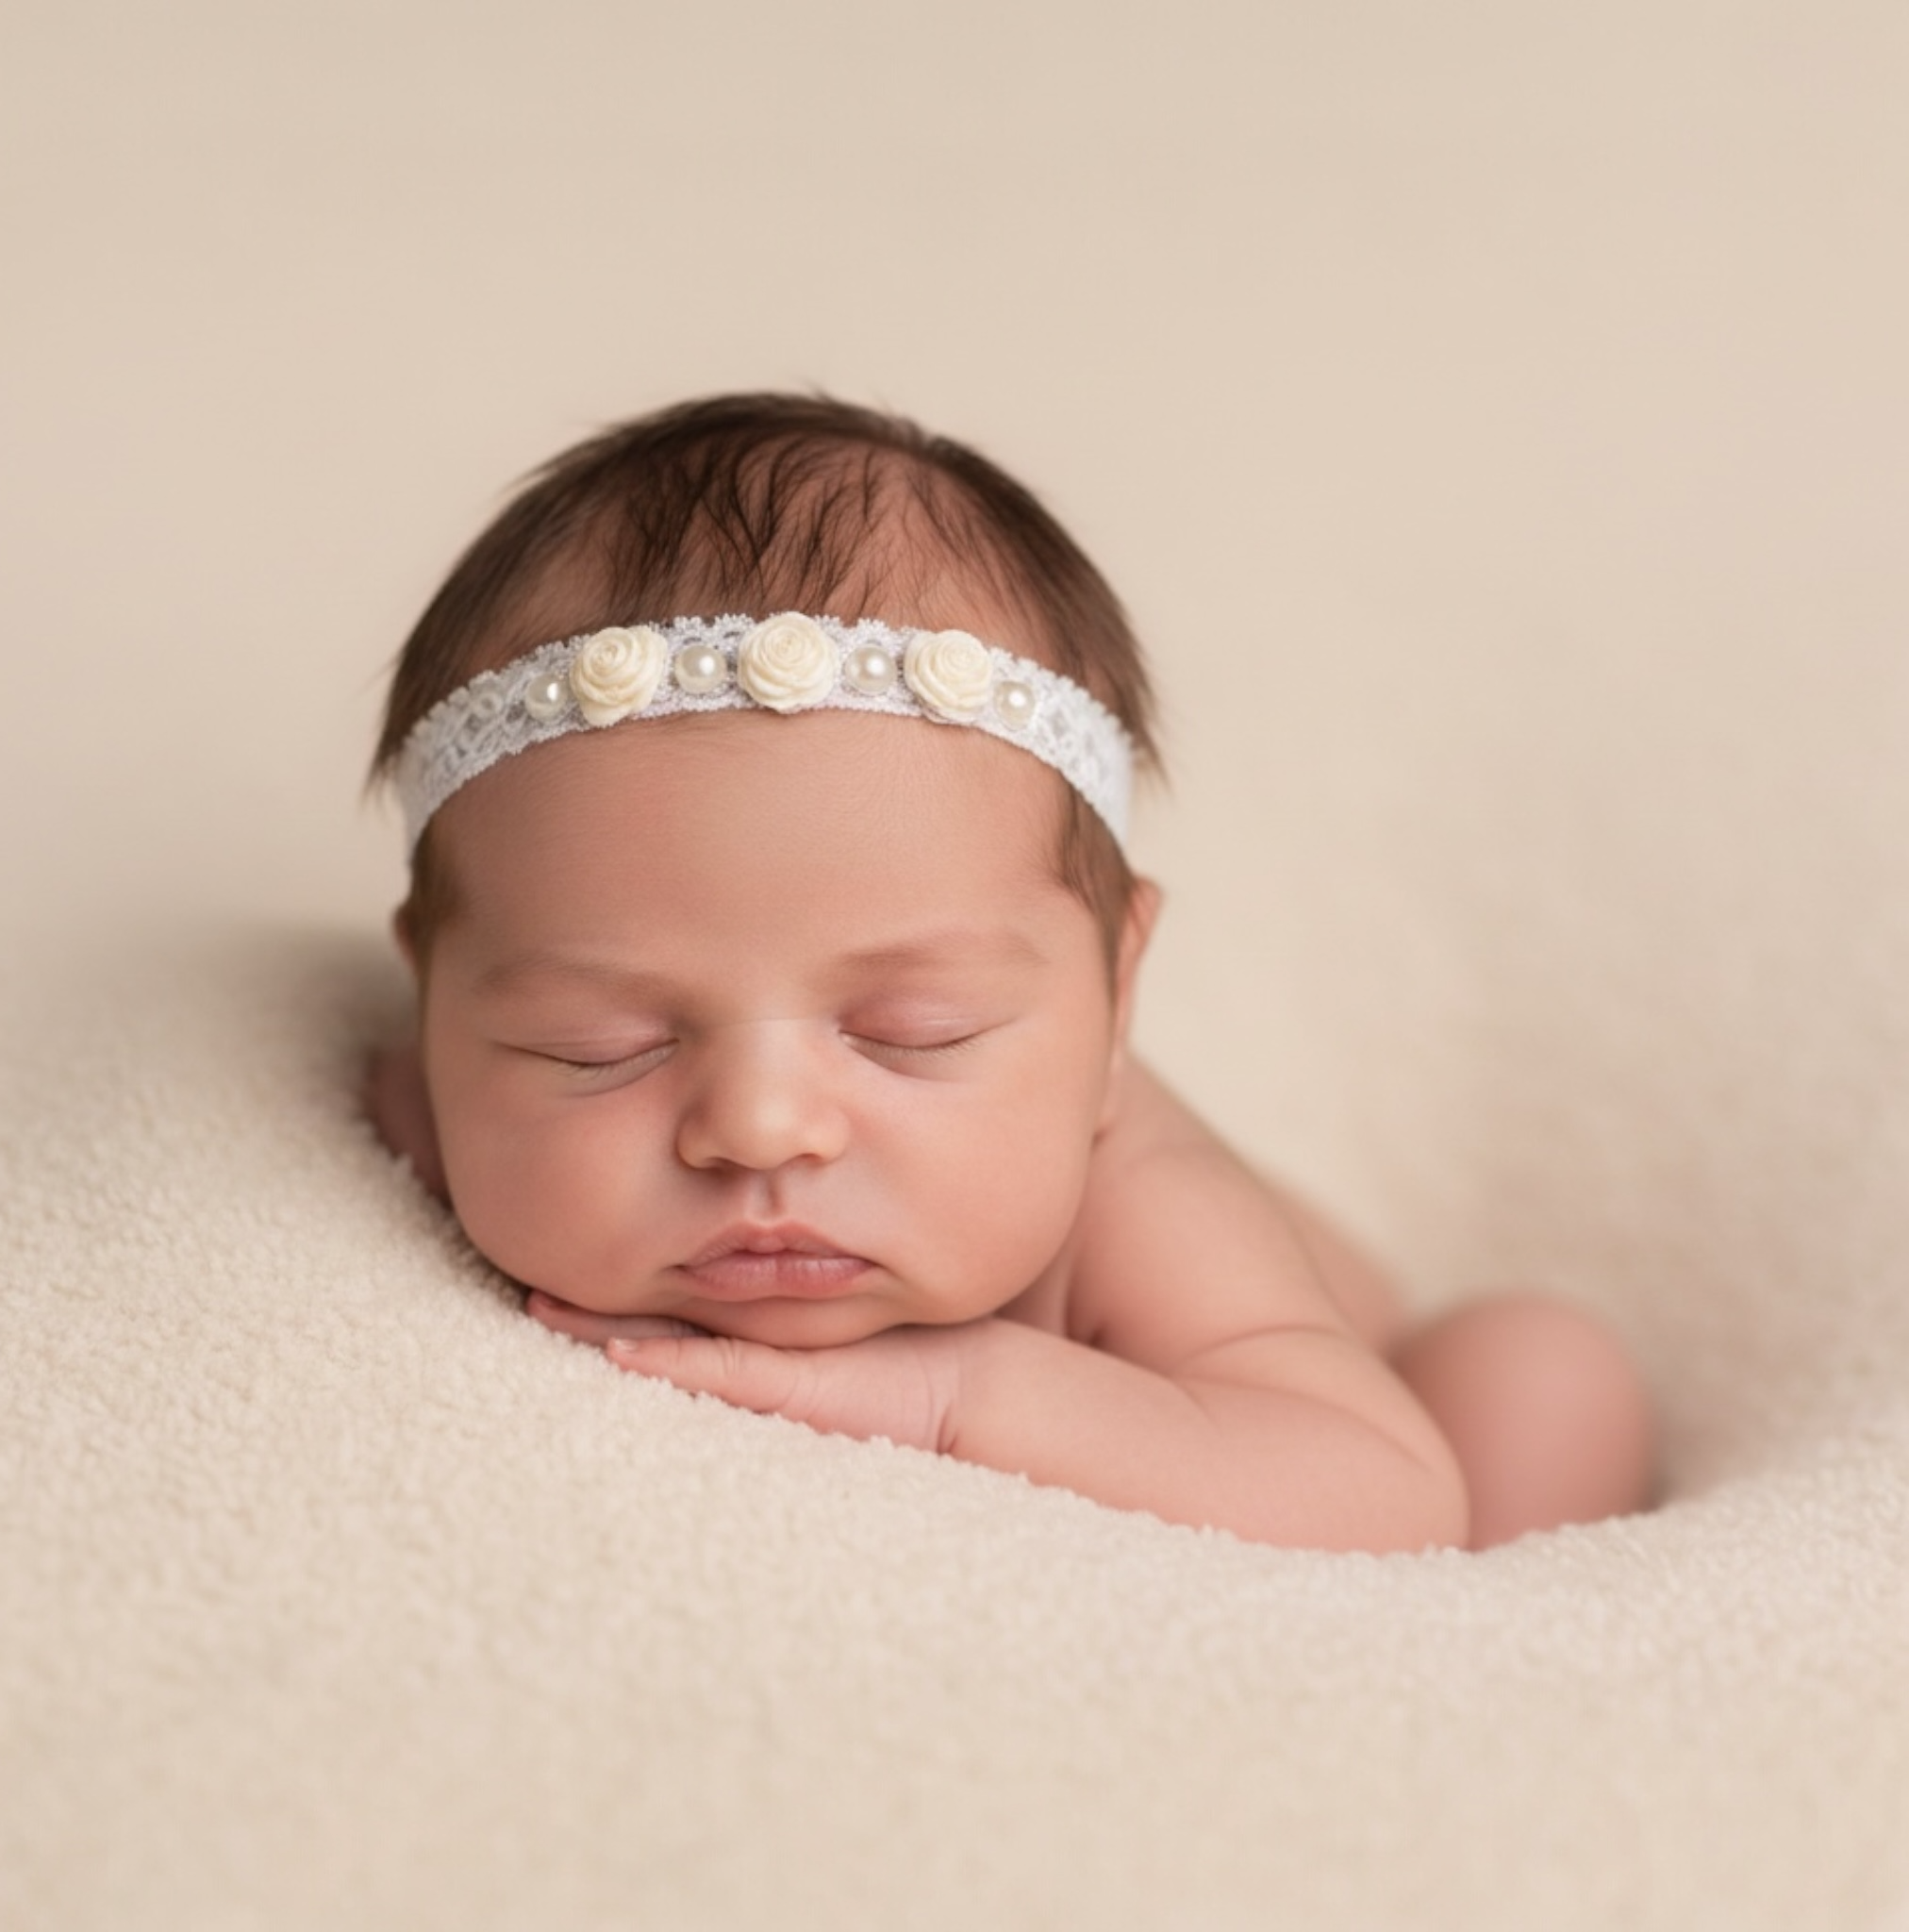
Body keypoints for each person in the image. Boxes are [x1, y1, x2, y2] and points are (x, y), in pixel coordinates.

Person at [364, 392, 1653, 1552]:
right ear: (440, 1010)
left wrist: (958, 1396)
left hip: (1383, 1398)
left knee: (1543, 1368)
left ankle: (1492, 1662)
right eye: (597, 1046)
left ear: (1113, 1004)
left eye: (911, 1032)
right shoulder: (428, 1112)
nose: (760, 1126)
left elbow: (1385, 1490)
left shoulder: (1137, 1200)